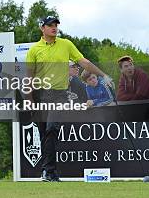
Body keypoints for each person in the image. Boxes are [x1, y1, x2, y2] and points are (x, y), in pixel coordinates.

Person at [26, 16, 113, 182]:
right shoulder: (34, 50)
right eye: (50, 25)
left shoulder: (66, 44)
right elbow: (28, 77)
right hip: (40, 95)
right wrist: (29, 100)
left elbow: (84, 62)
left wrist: (103, 75)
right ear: (42, 28)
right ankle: (50, 172)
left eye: (56, 25)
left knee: (52, 128)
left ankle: (48, 171)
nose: (54, 28)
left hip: (59, 95)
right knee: (44, 133)